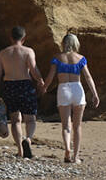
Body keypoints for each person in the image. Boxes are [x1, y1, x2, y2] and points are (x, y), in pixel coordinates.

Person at [42, 34, 99, 164]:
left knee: (66, 125)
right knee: (77, 126)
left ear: (63, 43)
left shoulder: (57, 58)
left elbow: (50, 76)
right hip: (77, 89)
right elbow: (88, 77)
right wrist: (94, 94)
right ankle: (75, 156)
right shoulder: (81, 58)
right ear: (76, 44)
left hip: (63, 89)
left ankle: (67, 149)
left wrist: (44, 88)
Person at [0, 26, 45, 158]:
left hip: (9, 86)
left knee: (15, 120)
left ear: (11, 38)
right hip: (25, 85)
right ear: (24, 38)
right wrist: (40, 80)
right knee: (30, 119)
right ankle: (28, 139)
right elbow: (33, 69)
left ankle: (20, 150)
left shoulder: (3, 53)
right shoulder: (28, 51)